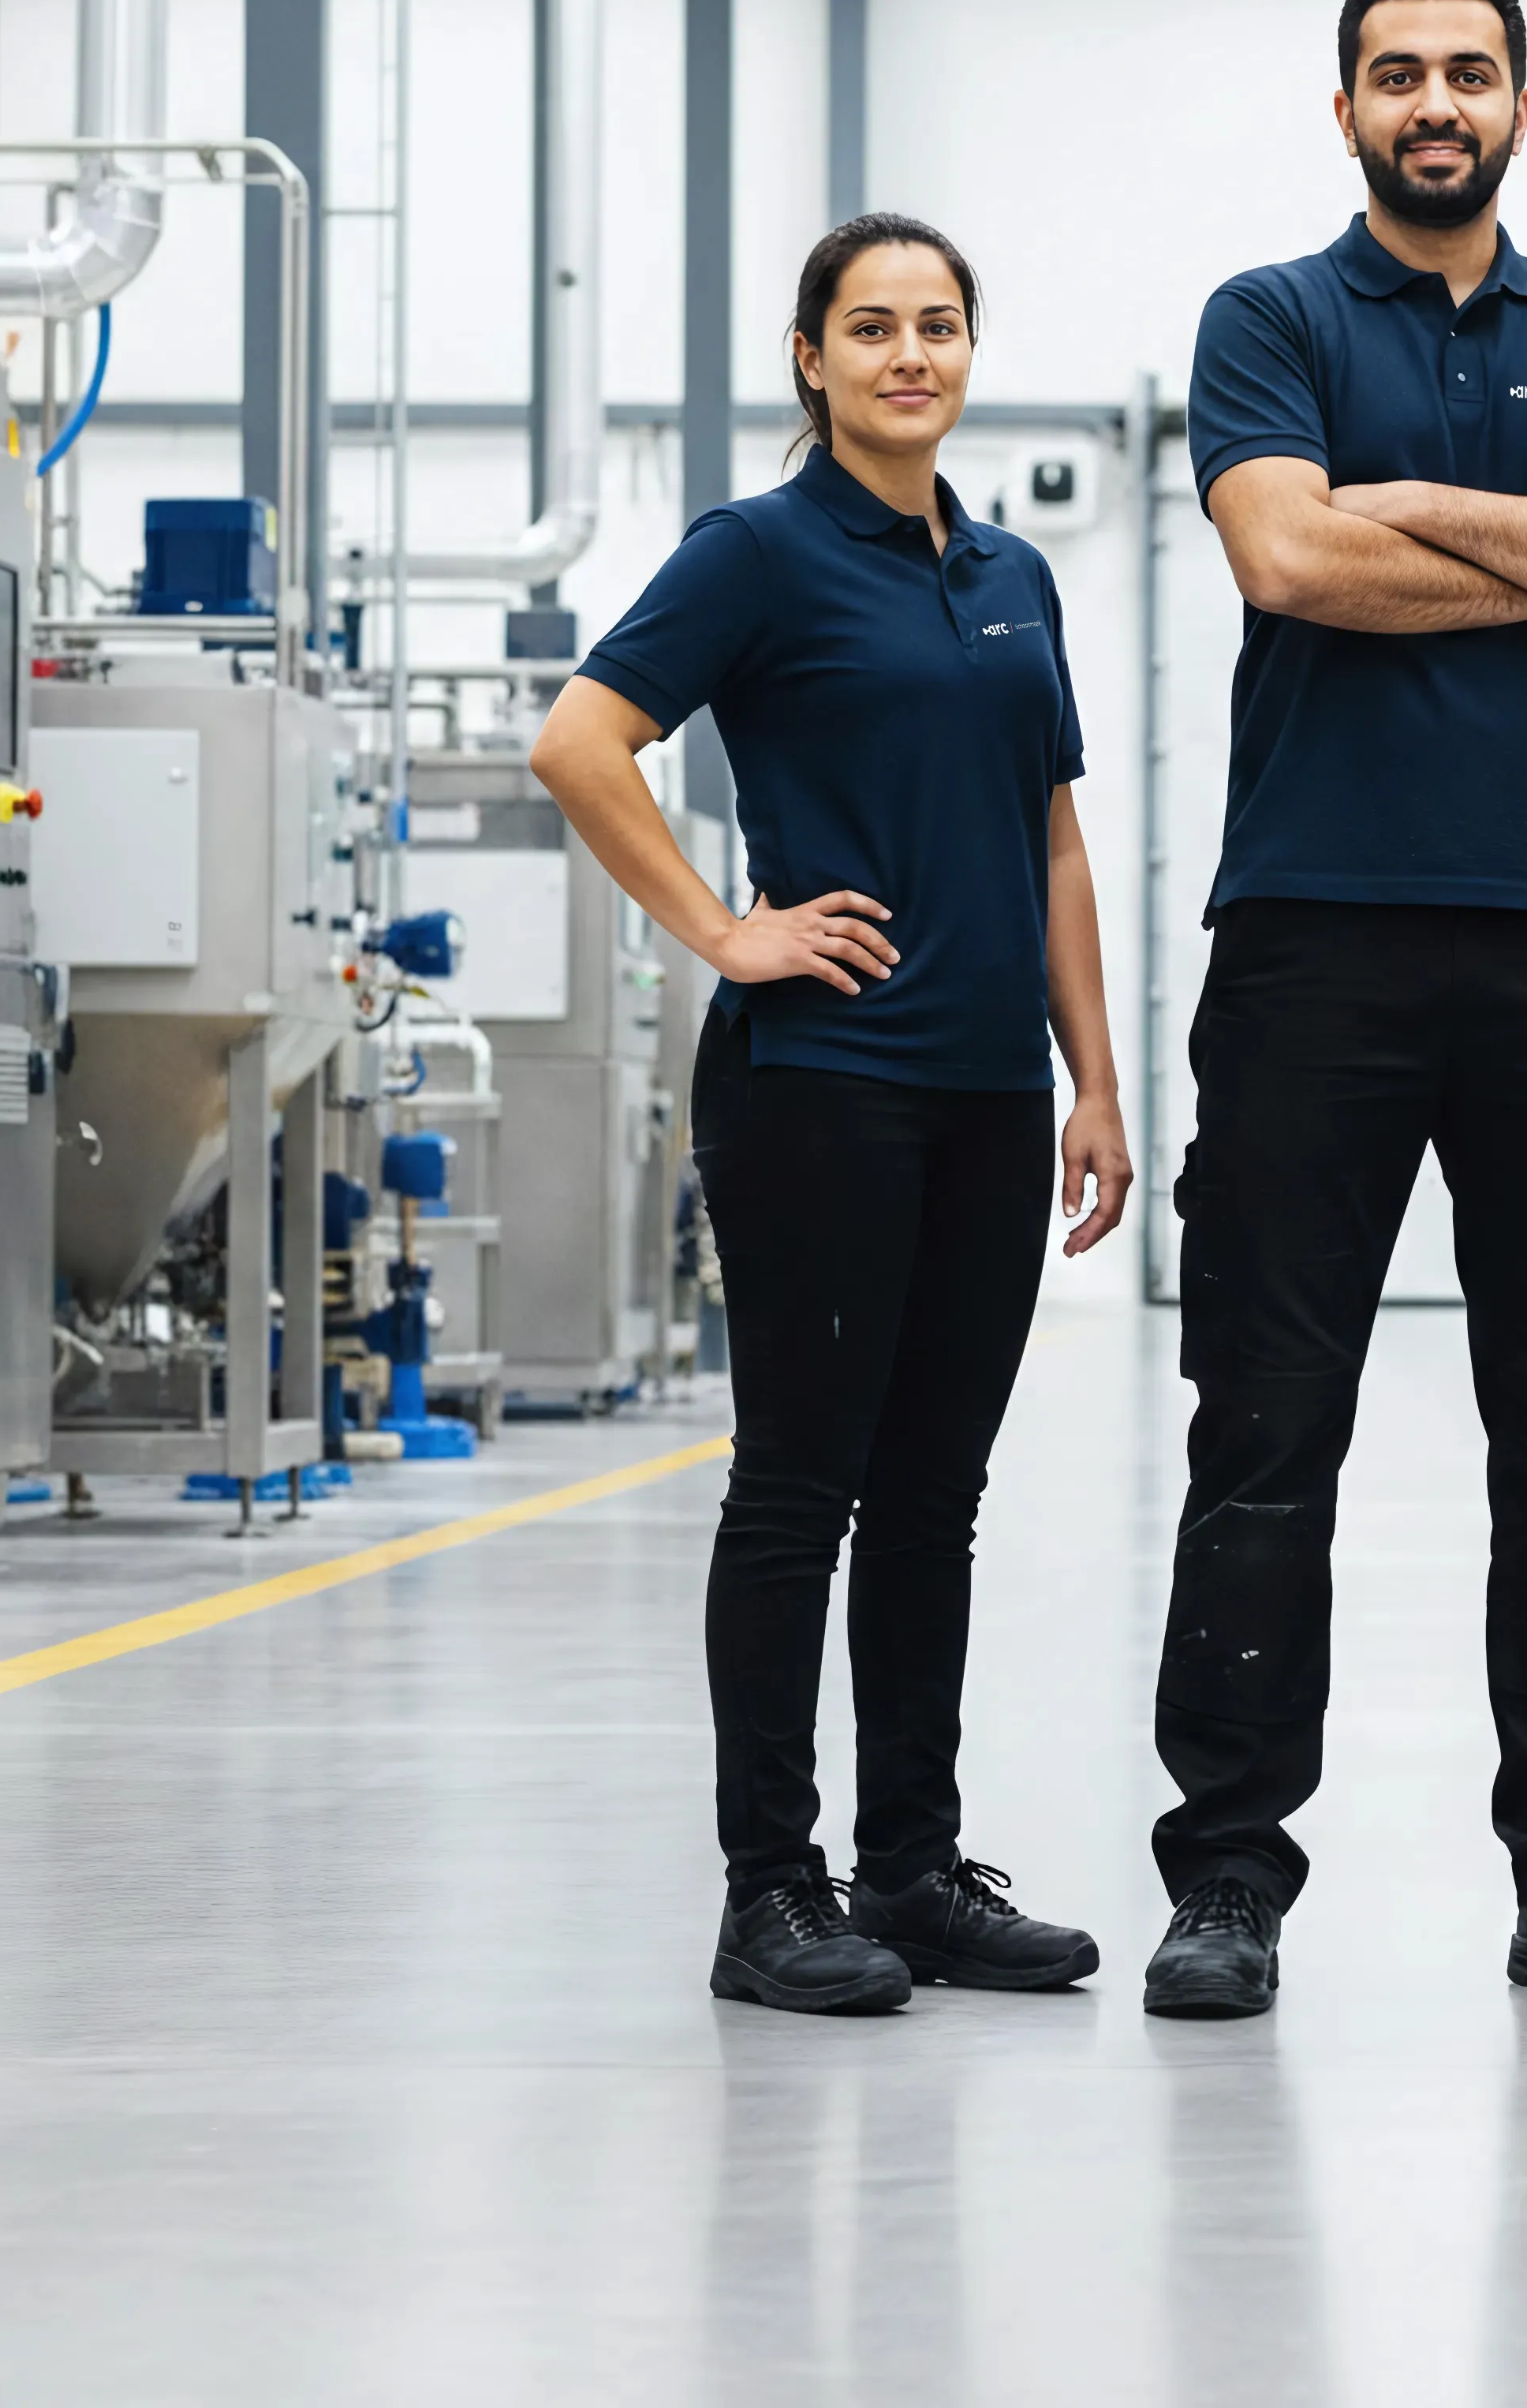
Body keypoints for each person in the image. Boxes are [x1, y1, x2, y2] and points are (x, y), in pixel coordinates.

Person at [1140, 0, 1527, 2019]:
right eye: (1397, 73)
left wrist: (1403, 502)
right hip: (1315, 933)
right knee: (1267, 1427)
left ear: (1517, 106)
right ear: (1345, 112)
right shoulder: (1272, 316)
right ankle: (1227, 1876)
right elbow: (1289, 565)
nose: (1434, 102)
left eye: (1468, 73)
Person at [532, 212, 1133, 2017]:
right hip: (821, 1084)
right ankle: (769, 1890)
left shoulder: (1012, 572)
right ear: (811, 358)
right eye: (869, 327)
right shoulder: (762, 551)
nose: (907, 356)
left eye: (938, 325)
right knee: (802, 1483)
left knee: (933, 1497)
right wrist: (726, 926)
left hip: (980, 1090)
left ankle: (914, 1867)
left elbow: (1050, 836)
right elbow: (580, 738)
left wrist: (1094, 1075)